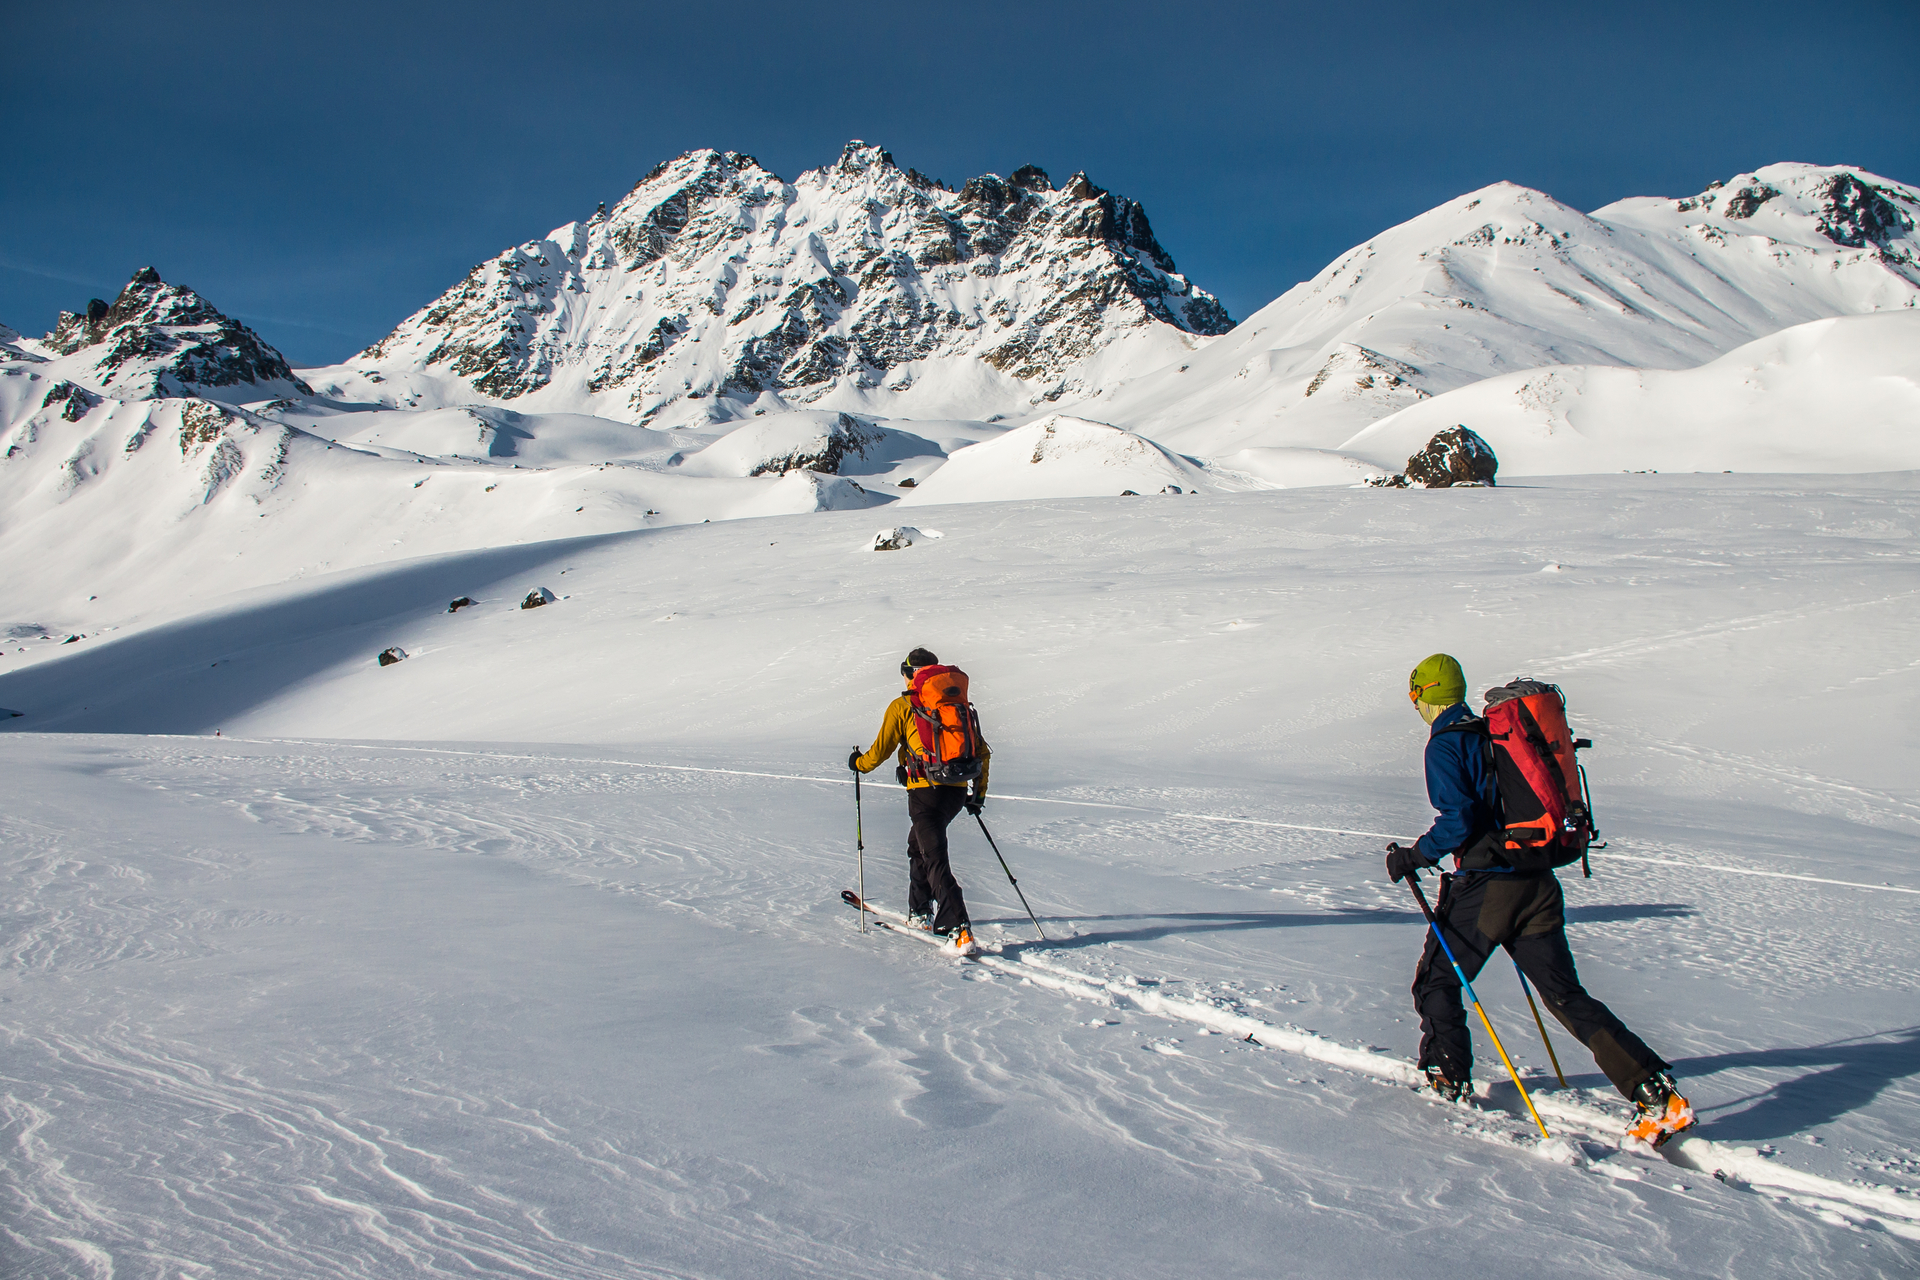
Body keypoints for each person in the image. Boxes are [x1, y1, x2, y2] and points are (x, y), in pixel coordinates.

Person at [1385, 653, 1696, 1146]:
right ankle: (1653, 1090)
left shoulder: (1445, 744)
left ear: (1424, 696)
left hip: (1488, 888)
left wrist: (1414, 856)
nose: (1414, 704)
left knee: (1437, 981)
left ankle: (1447, 1078)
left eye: (1414, 694)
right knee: (1566, 995)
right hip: (1538, 880)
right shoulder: (1493, 733)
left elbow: (1458, 820)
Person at [848, 648, 989, 951]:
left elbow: (880, 751)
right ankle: (920, 910)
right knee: (918, 846)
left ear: (910, 674)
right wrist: (977, 795)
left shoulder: (904, 705)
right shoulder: (956, 706)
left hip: (925, 794)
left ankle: (958, 927)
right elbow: (982, 752)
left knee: (934, 856)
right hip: (955, 791)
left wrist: (859, 764)